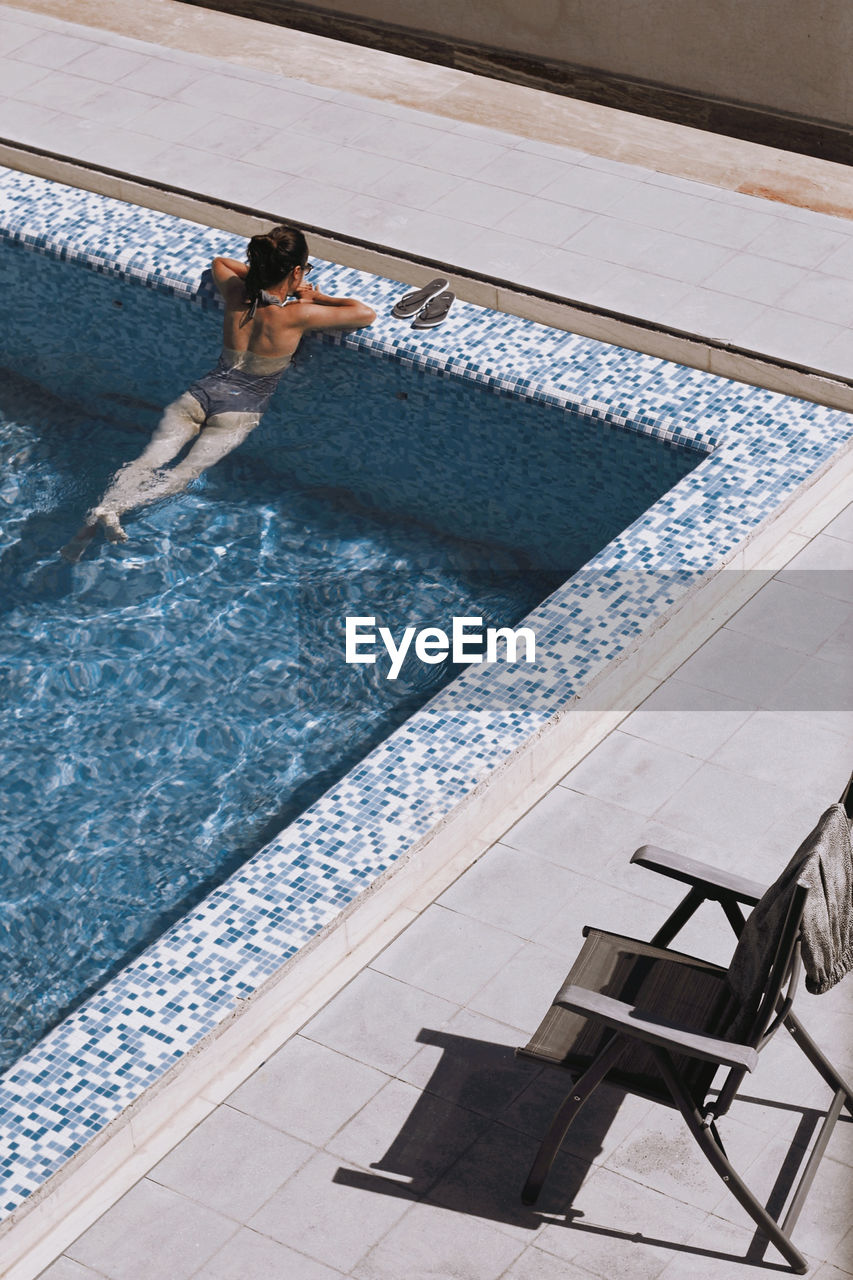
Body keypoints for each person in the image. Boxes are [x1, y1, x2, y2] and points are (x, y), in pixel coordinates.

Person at [61, 225, 375, 560]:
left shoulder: (238, 294)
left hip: (198, 396)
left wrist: (261, 277)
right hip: (238, 411)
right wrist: (316, 296)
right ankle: (122, 508)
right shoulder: (297, 315)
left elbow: (220, 261)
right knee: (183, 475)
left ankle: (102, 513)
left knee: (147, 461)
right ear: (297, 272)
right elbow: (364, 314)